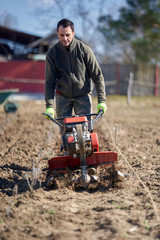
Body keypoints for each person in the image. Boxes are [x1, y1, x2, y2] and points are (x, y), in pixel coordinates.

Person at [45, 18, 107, 123]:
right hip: (62, 96)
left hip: (83, 96)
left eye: (68, 35)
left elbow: (97, 76)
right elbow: (49, 82)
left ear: (73, 33)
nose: (65, 38)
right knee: (66, 132)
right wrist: (49, 106)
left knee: (85, 129)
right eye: (61, 35)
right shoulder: (52, 54)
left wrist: (102, 101)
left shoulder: (84, 50)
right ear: (57, 33)